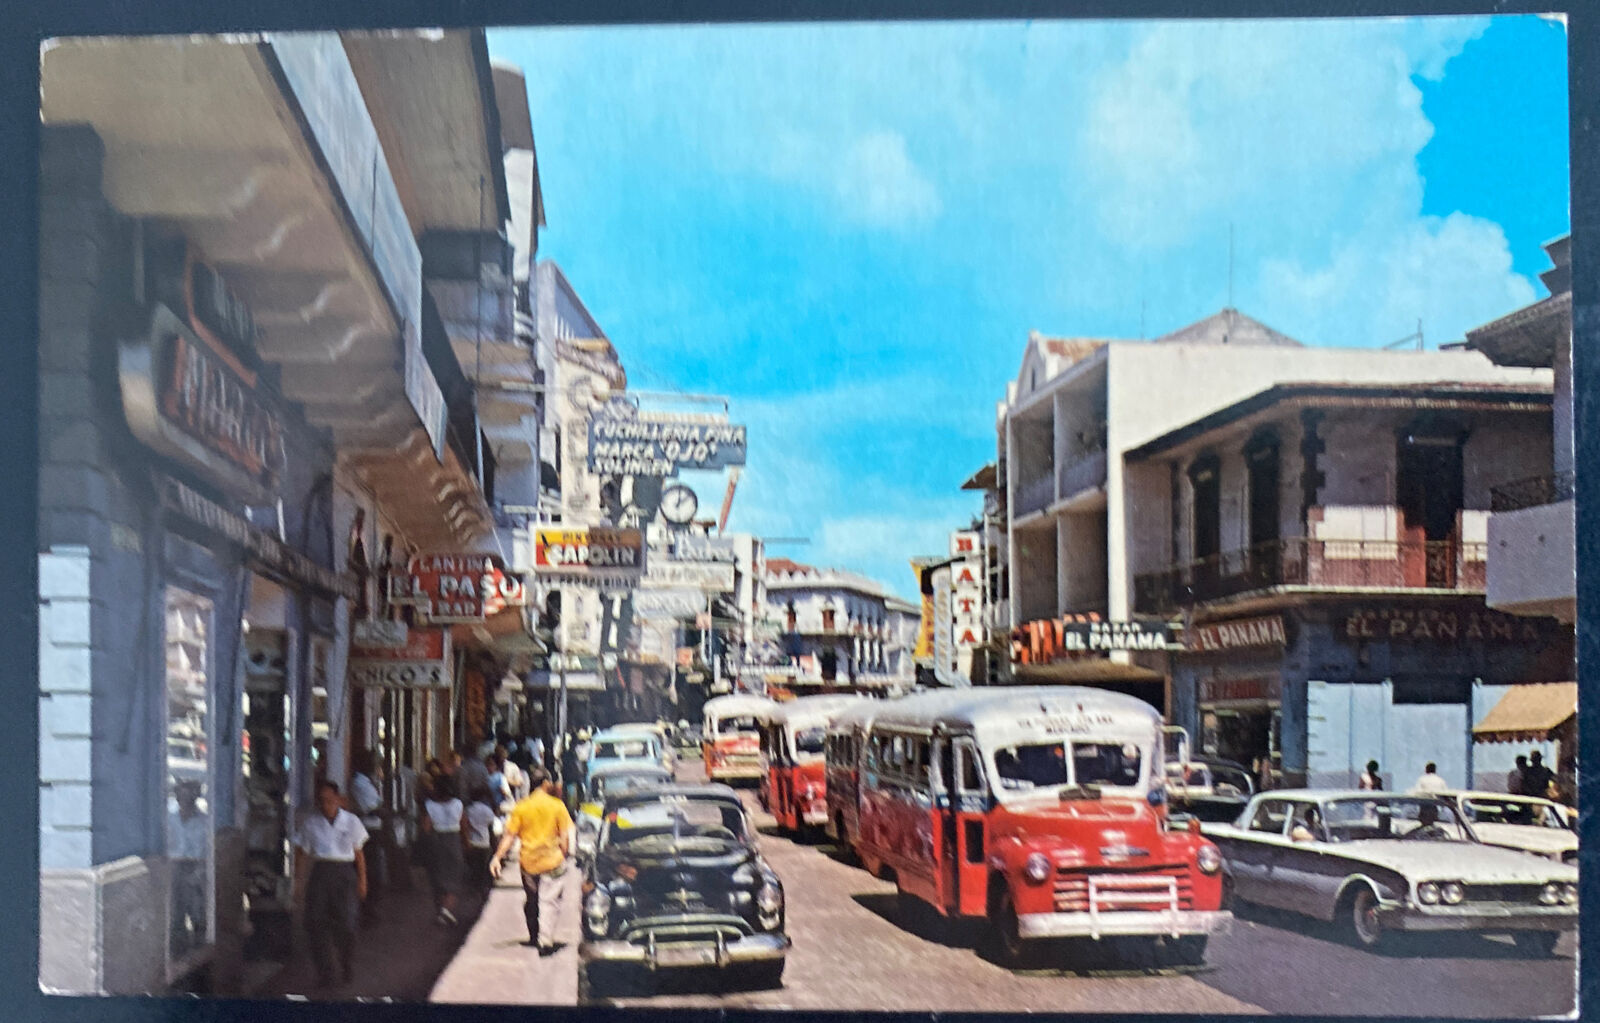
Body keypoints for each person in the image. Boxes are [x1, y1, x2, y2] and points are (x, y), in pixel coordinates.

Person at [291, 780, 369, 988]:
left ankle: (346, 963)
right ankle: (326, 972)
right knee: (315, 923)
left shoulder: (351, 822)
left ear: (338, 799)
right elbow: (302, 853)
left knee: (347, 923)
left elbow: (359, 854)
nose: (326, 805)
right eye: (322, 801)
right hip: (321, 873)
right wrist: (299, 882)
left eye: (330, 800)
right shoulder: (311, 823)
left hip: (344, 873)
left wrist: (362, 880)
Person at [490, 766, 573, 955]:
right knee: (549, 901)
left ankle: (534, 935)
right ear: (545, 783)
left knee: (532, 899)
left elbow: (509, 836)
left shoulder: (522, 807)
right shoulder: (557, 806)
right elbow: (564, 837)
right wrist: (564, 854)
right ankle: (545, 940)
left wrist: (497, 857)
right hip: (552, 861)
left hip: (529, 863)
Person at [420, 774, 466, 926]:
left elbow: (426, 828)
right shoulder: (458, 804)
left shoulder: (430, 805)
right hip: (454, 840)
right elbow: (464, 825)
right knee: (455, 876)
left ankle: (441, 909)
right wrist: (466, 843)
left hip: (437, 841)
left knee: (438, 875)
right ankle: (446, 910)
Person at [349, 749, 387, 921]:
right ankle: (366, 909)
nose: (374, 765)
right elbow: (372, 807)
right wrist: (382, 810)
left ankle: (370, 908)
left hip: (375, 828)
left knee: (376, 870)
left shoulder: (369, 781)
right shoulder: (359, 783)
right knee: (370, 870)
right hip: (367, 828)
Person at [463, 784, 498, 891]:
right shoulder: (487, 810)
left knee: (473, 867)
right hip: (484, 842)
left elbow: (465, 824)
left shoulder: (468, 810)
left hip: (471, 842)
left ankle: (473, 887)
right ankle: (482, 888)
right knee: (483, 867)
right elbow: (491, 825)